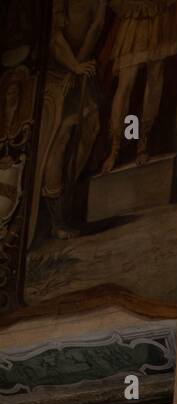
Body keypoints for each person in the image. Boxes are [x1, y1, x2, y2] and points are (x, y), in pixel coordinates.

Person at [30, 0, 105, 238]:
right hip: (59, 71)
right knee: (60, 137)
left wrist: (80, 65)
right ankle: (57, 219)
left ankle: (66, 199)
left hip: (82, 69)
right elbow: (54, 36)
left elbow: (97, 25)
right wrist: (74, 65)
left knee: (91, 128)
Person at [100, 0, 177, 174]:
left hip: (162, 12)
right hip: (134, 8)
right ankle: (115, 147)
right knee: (126, 82)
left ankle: (142, 141)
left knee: (154, 76)